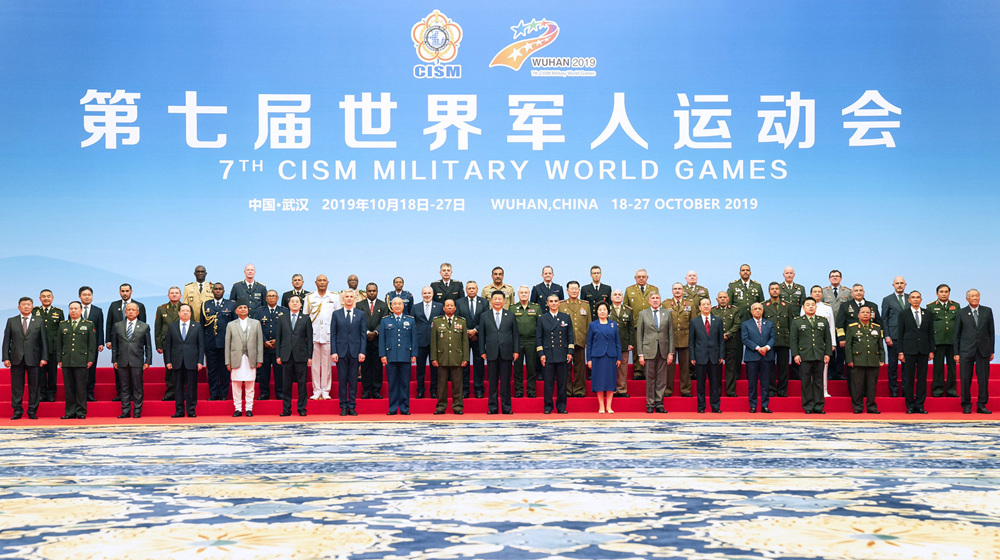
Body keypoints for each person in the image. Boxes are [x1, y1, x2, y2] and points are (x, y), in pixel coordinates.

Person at [3, 297, 48, 420]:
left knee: (34, 386)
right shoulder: (11, 321)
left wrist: (44, 357)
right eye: (24, 305)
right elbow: (6, 341)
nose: (26, 307)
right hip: (16, 358)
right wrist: (6, 357)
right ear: (19, 307)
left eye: (28, 304)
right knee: (17, 387)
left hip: (34, 358)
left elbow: (43, 341)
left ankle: (32, 410)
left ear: (32, 307)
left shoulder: (39, 321)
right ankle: (17, 410)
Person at [954, 289, 995, 414]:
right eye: (972, 296)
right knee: (965, 378)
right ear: (967, 299)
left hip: (983, 350)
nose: (975, 298)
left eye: (977, 295)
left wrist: (991, 350)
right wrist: (956, 353)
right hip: (966, 350)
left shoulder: (987, 311)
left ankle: (981, 405)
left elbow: (991, 331)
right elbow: (956, 334)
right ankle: (966, 405)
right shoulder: (961, 312)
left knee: (983, 379)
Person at [480, 290, 519, 414]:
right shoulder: (484, 316)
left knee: (505, 382)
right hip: (491, 352)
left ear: (504, 301)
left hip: (507, 352)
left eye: (499, 299)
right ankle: (493, 408)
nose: (497, 301)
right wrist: (482, 350)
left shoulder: (511, 315)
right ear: (491, 300)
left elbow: (515, 334)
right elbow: (482, 335)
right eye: (495, 299)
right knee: (492, 382)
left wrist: (516, 350)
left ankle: (506, 408)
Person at [791, 297, 832, 414]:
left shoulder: (823, 321)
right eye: (808, 305)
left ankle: (818, 406)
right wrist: (795, 354)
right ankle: (808, 406)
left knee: (819, 382)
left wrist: (827, 353)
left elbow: (827, 339)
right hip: (804, 355)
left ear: (816, 307)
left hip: (819, 355)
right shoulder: (797, 321)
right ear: (803, 307)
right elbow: (793, 340)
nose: (810, 307)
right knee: (806, 382)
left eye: (812, 305)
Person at [111, 302, 153, 419]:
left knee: (137, 387)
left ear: (137, 312)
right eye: (128, 309)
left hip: (137, 361)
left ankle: (137, 411)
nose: (130, 311)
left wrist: (147, 361)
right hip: (122, 360)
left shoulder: (144, 326)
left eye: (133, 310)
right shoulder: (118, 325)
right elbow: (115, 345)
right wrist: (114, 360)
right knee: (124, 387)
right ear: (125, 312)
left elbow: (148, 346)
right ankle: (125, 411)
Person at [106, 283, 146, 402]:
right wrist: (108, 340)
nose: (125, 293)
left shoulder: (139, 306)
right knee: (119, 368)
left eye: (127, 291)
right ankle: (120, 394)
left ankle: (134, 394)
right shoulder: (114, 305)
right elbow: (109, 323)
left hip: (134, 344)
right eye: (122, 291)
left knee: (135, 372)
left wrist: (142, 342)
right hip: (118, 342)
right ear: (119, 292)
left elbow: (143, 325)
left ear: (131, 292)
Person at [635, 291, 674, 414]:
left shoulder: (667, 313)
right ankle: (650, 404)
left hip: (663, 350)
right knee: (650, 378)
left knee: (662, 379)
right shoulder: (643, 314)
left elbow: (671, 334)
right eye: (653, 298)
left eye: (657, 298)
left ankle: (659, 403)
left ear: (660, 300)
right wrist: (640, 354)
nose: (655, 300)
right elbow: (639, 335)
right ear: (649, 301)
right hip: (648, 350)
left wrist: (671, 352)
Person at [55, 301, 95, 420]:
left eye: (76, 308)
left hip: (81, 360)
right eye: (71, 308)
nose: (73, 311)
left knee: (81, 388)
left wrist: (90, 359)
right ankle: (70, 412)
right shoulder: (63, 325)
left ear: (81, 310)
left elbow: (91, 344)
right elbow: (59, 344)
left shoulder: (88, 325)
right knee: (69, 388)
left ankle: (81, 411)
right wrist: (59, 359)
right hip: (66, 360)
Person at [304, 275, 341, 400]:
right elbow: (305, 317)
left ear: (328, 282)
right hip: (314, 334)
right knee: (314, 365)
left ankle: (325, 390)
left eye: (324, 280)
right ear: (315, 283)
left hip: (328, 334)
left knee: (326, 365)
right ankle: (316, 390)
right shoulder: (309, 297)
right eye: (319, 280)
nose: (322, 282)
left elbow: (338, 316)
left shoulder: (334, 297)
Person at [163, 303, 203, 418]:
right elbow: (168, 345)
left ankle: (191, 410)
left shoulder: (197, 327)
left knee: (191, 388)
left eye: (187, 311)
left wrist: (200, 361)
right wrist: (168, 361)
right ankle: (179, 411)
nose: (185, 312)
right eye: (183, 311)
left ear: (190, 313)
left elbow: (201, 345)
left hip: (192, 361)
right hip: (177, 361)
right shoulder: (172, 326)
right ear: (179, 313)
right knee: (178, 388)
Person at [276, 295, 312, 417]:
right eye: (293, 301)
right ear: (289, 304)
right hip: (286, 355)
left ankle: (301, 408)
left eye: (297, 301)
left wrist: (309, 356)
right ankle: (286, 409)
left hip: (301, 355)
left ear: (301, 305)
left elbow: (309, 339)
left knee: (302, 383)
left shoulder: (306, 319)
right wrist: (278, 355)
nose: (295, 303)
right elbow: (278, 338)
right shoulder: (282, 318)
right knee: (286, 384)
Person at [330, 290, 365, 416]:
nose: (349, 299)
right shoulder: (336, 314)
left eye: (351, 297)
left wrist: (362, 351)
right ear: (343, 299)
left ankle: (352, 406)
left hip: (355, 352)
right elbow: (333, 334)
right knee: (342, 380)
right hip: (341, 352)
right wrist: (333, 351)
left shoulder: (360, 314)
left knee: (353, 381)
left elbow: (363, 335)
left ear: (354, 298)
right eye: (347, 297)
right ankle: (343, 406)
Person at [537, 294, 574, 414]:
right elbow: (539, 338)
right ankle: (548, 407)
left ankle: (561, 406)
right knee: (548, 383)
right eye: (551, 301)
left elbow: (570, 336)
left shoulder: (566, 317)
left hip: (562, 353)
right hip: (548, 354)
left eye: (555, 301)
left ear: (559, 303)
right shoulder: (542, 318)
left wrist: (570, 352)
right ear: (547, 304)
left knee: (562, 383)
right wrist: (541, 354)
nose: (553, 303)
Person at [898, 291, 934, 414]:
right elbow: (900, 333)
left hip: (924, 349)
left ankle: (920, 405)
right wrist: (900, 351)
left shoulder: (927, 313)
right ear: (909, 300)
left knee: (922, 379)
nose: (915, 300)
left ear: (921, 299)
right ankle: (910, 405)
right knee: (909, 378)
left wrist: (931, 350)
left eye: (918, 297)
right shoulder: (903, 314)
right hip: (909, 349)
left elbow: (930, 333)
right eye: (913, 298)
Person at [225, 301, 263, 417]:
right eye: (240, 307)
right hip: (236, 358)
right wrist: (228, 361)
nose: (243, 309)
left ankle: (249, 408)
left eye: (245, 307)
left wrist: (259, 359)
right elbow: (227, 344)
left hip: (250, 358)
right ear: (236, 311)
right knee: (236, 384)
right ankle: (238, 409)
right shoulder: (231, 325)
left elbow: (259, 342)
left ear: (248, 310)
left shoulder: (256, 323)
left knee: (250, 384)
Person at [845, 305, 885, 414]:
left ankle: (871, 407)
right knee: (857, 386)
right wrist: (849, 360)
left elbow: (880, 345)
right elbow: (848, 346)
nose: (865, 314)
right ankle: (858, 407)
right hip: (857, 360)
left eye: (868, 312)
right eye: (863, 312)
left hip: (873, 360)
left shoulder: (876, 327)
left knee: (872, 386)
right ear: (858, 315)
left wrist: (882, 358)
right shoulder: (852, 327)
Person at [380, 297, 417, 415]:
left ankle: (405, 408)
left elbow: (414, 339)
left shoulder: (410, 320)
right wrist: (383, 355)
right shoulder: (385, 320)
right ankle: (393, 408)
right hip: (390, 356)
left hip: (405, 356)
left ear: (403, 306)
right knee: (392, 384)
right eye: (395, 304)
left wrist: (414, 354)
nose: (397, 306)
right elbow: (382, 339)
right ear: (391, 306)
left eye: (399, 304)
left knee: (405, 384)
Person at [200, 283, 236, 400]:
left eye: (220, 289)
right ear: (212, 291)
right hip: (210, 342)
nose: (218, 291)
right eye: (216, 289)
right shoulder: (205, 305)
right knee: (212, 370)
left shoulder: (231, 305)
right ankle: (214, 394)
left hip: (225, 343)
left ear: (224, 291)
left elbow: (235, 325)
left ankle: (224, 394)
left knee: (225, 370)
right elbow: (202, 326)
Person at [431, 299, 468, 415]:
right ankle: (441, 407)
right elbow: (434, 341)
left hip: (457, 357)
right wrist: (434, 358)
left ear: (455, 308)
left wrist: (465, 358)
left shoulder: (462, 321)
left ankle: (457, 407)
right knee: (442, 385)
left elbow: (465, 342)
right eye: (447, 306)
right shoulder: (437, 321)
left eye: (451, 305)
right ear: (443, 308)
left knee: (457, 385)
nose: (449, 307)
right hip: (442, 357)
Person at [689, 298, 724, 413]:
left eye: (708, 304)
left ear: (711, 306)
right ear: (699, 307)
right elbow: (691, 342)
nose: (705, 306)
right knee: (700, 384)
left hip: (714, 357)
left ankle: (715, 406)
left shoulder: (718, 320)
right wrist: (692, 356)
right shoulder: (694, 322)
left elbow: (721, 340)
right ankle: (701, 407)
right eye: (703, 304)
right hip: (700, 357)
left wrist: (721, 355)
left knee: (715, 384)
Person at [250, 290, 285, 400]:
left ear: (277, 298)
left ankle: (280, 392)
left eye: (273, 296)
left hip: (278, 348)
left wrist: (277, 340)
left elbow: (286, 329)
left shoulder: (284, 311)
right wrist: (264, 341)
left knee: (279, 371)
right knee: (263, 372)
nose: (271, 298)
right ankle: (264, 392)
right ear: (265, 298)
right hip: (263, 347)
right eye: (269, 296)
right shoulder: (259, 312)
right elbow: (255, 329)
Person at [587, 302, 621, 414]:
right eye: (600, 309)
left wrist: (619, 357)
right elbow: (589, 344)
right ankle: (601, 406)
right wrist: (589, 359)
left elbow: (617, 342)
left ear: (608, 311)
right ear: (597, 312)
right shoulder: (593, 325)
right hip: (597, 357)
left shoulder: (613, 324)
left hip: (611, 356)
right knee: (600, 382)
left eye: (604, 309)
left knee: (610, 382)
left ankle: (609, 406)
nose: (602, 311)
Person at [926, 284, 960, 397]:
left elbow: (959, 324)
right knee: (938, 368)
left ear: (949, 293)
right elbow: (928, 327)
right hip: (938, 341)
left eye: (946, 292)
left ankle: (951, 391)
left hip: (952, 341)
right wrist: (931, 344)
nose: (944, 294)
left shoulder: (956, 306)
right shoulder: (930, 307)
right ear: (937, 293)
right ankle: (937, 390)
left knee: (952, 368)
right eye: (941, 292)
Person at [803, 285, 837, 398]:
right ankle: (810, 392)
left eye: (819, 292)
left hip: (822, 343)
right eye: (815, 292)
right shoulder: (804, 307)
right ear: (811, 294)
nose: (817, 293)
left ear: (822, 294)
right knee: (808, 370)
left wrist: (832, 343)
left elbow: (831, 327)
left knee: (823, 370)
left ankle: (824, 391)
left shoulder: (827, 308)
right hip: (808, 344)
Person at [559, 281, 591, 398]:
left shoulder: (585, 305)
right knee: (565, 368)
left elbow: (589, 324)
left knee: (580, 367)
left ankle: (579, 390)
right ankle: (567, 390)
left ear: (579, 290)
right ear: (567, 291)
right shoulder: (561, 305)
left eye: (576, 289)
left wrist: (588, 340)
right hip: (565, 342)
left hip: (580, 340)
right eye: (571, 289)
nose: (574, 291)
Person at [624, 268, 657, 379]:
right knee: (637, 348)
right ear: (635, 278)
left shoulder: (654, 289)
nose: (641, 278)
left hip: (651, 324)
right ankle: (638, 371)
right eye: (639, 277)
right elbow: (626, 308)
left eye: (643, 276)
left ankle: (648, 370)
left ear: (647, 278)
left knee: (650, 347)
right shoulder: (629, 290)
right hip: (635, 324)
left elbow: (657, 304)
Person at [456, 281, 488, 398]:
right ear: (466, 290)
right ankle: (465, 389)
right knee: (464, 363)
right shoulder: (459, 302)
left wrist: (475, 330)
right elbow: (457, 319)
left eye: (473, 288)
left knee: (479, 364)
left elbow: (485, 319)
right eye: (469, 288)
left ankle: (479, 389)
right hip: (463, 337)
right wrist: (467, 332)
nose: (471, 290)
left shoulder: (484, 302)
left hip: (479, 337)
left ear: (477, 289)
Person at [741, 302, 774, 414]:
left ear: (763, 310)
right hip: (752, 357)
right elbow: (745, 339)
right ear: (751, 311)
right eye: (755, 309)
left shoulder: (769, 323)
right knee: (752, 383)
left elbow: (773, 338)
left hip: (767, 356)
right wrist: (758, 348)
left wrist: (766, 348)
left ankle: (765, 406)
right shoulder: (746, 324)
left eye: (760, 308)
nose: (758, 310)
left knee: (765, 383)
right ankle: (753, 406)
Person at [413, 286, 443, 399]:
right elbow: (412, 325)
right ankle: (420, 390)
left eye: (429, 293)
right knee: (420, 368)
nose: (427, 295)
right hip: (420, 342)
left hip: (435, 342)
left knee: (434, 368)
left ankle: (433, 390)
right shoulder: (415, 307)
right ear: (422, 294)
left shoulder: (439, 306)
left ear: (433, 294)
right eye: (425, 293)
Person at [880, 276, 909, 397]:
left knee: (907, 366)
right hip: (893, 336)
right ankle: (894, 390)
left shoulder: (911, 298)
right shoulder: (887, 299)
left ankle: (906, 390)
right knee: (892, 365)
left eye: (902, 283)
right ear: (893, 285)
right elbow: (884, 319)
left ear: (905, 284)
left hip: (908, 337)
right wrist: (886, 335)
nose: (899, 285)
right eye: (897, 283)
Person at [360, 282, 389, 399]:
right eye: (369, 291)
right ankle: (366, 390)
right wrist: (367, 332)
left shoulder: (383, 305)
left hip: (378, 341)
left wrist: (375, 332)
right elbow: (359, 322)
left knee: (377, 367)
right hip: (364, 341)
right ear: (366, 292)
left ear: (377, 291)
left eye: (374, 291)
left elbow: (384, 321)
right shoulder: (359, 305)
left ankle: (376, 390)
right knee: (365, 367)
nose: (372, 293)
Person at [763, 282, 792, 398]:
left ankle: (782, 390)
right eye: (772, 289)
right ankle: (771, 389)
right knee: (769, 367)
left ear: (780, 291)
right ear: (769, 291)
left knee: (783, 367)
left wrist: (791, 341)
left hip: (784, 341)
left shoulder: (787, 305)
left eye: (776, 288)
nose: (774, 290)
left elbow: (791, 324)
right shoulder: (764, 306)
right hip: (768, 341)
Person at [34, 289, 64, 402]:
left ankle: (51, 393)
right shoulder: (35, 311)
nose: (46, 298)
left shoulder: (58, 312)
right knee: (40, 373)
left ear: (52, 298)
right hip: (39, 347)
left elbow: (62, 331)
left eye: (48, 296)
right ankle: (42, 393)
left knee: (52, 373)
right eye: (43, 296)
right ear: (40, 298)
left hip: (53, 347)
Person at [512, 286, 542, 398]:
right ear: (518, 294)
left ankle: (531, 390)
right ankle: (519, 390)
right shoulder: (512, 308)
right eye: (521, 292)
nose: (524, 294)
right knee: (517, 368)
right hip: (517, 342)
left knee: (531, 367)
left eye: (526, 292)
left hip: (531, 341)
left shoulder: (536, 308)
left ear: (529, 294)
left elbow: (540, 326)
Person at [154, 287, 182, 402]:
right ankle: (170, 394)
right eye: (172, 293)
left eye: (176, 293)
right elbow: (158, 328)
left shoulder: (185, 308)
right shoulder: (161, 309)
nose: (174, 295)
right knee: (169, 369)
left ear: (180, 295)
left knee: (182, 369)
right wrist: (158, 345)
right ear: (168, 295)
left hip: (182, 343)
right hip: (167, 344)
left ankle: (181, 393)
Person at [712, 292, 742, 397]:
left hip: (730, 342)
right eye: (720, 297)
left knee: (731, 368)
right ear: (717, 299)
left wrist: (728, 334)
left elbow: (737, 324)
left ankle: (731, 391)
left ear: (728, 299)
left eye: (724, 297)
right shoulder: (713, 310)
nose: (722, 299)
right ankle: (717, 391)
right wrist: (720, 335)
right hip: (716, 343)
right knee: (717, 369)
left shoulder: (734, 310)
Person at [822, 269, 851, 380]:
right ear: (829, 279)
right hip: (829, 326)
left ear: (841, 278)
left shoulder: (847, 292)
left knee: (841, 351)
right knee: (830, 350)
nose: (835, 277)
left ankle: (839, 373)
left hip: (842, 327)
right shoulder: (824, 292)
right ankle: (830, 372)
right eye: (833, 276)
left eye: (837, 276)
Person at [78, 286, 104, 402]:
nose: (87, 297)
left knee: (91, 370)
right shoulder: (75, 309)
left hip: (92, 345)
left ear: (92, 296)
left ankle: (89, 393)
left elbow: (100, 328)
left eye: (89, 295)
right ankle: (80, 394)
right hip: (78, 345)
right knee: (79, 371)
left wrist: (100, 343)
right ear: (80, 296)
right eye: (84, 295)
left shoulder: (98, 311)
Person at [667, 283, 693, 398]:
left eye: (679, 289)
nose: (677, 291)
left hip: (685, 339)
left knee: (685, 367)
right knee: (669, 367)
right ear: (672, 291)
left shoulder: (690, 304)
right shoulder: (666, 304)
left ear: (683, 291)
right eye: (675, 289)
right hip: (670, 340)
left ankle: (685, 390)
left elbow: (693, 323)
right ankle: (667, 389)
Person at [608, 289, 634, 398]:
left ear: (622, 297)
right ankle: (612, 389)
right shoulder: (606, 309)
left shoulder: (628, 310)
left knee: (623, 368)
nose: (617, 296)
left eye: (619, 294)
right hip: (609, 344)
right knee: (611, 368)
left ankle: (622, 389)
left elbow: (631, 328)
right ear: (611, 298)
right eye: (615, 294)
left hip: (624, 343)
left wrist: (631, 343)